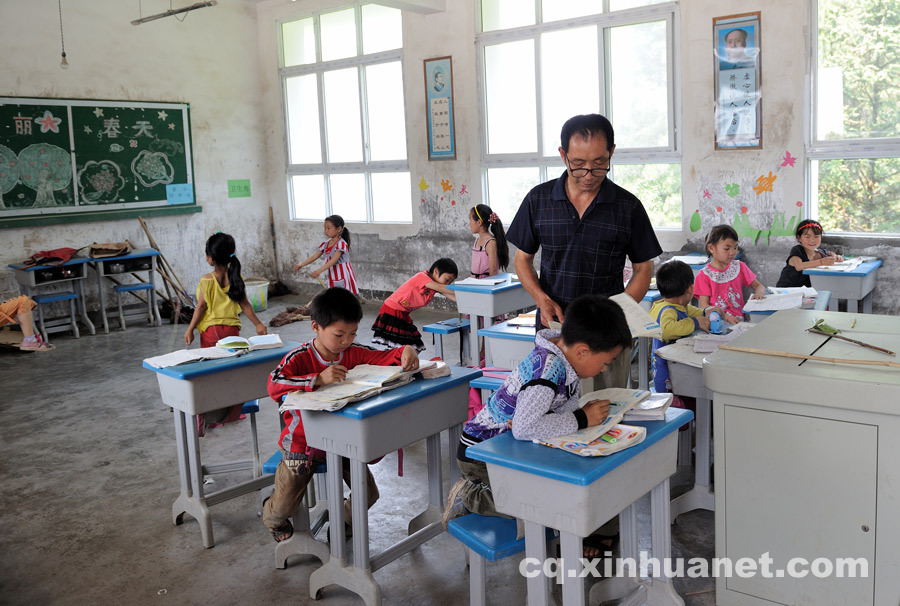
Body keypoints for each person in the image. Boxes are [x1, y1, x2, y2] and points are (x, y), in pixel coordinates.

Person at [444, 295, 631, 553]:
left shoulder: (564, 360)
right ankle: (473, 494)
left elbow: (550, 416)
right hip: (481, 456)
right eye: (605, 362)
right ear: (583, 351)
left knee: (559, 493)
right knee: (542, 506)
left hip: (509, 447)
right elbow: (524, 429)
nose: (603, 369)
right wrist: (582, 419)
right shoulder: (548, 371)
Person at [506, 113, 662, 389]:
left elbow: (643, 268)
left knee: (607, 408)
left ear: (611, 153)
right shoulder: (538, 200)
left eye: (600, 164)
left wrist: (618, 312)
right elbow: (523, 260)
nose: (589, 175)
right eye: (578, 165)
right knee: (550, 404)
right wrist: (540, 298)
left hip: (607, 336)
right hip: (556, 332)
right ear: (563, 155)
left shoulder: (628, 207)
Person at [262, 287, 419, 542]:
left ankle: (343, 520)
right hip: (303, 445)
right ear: (316, 327)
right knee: (285, 506)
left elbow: (381, 356)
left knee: (368, 495)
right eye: (339, 334)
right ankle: (270, 516)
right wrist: (316, 379)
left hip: (344, 441)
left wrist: (404, 352)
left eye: (352, 333)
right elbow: (274, 383)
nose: (346, 340)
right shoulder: (299, 358)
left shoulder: (352, 352)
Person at [184, 232, 267, 435]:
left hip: (210, 333)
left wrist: (190, 329)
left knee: (212, 374)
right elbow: (246, 305)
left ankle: (207, 414)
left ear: (210, 258)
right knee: (233, 373)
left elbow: (201, 307)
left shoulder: (206, 280)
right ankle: (231, 414)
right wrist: (258, 324)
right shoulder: (236, 278)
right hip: (232, 332)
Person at [650, 261, 722, 393]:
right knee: (677, 404)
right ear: (690, 288)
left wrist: (706, 312)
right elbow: (666, 331)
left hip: (675, 368)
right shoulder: (667, 310)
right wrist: (695, 323)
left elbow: (693, 312)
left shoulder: (678, 306)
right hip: (667, 375)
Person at [371, 258, 458, 352]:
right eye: (447, 280)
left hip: (403, 313)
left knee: (413, 347)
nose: (448, 284)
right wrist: (465, 289)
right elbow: (445, 289)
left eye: (450, 282)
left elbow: (452, 296)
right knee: (405, 349)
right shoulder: (422, 277)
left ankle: (396, 362)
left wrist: (467, 299)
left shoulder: (436, 286)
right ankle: (392, 362)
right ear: (436, 271)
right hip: (392, 310)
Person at [694, 225, 766, 323]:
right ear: (711, 248)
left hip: (739, 322)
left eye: (735, 247)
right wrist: (724, 316)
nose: (732, 252)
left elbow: (759, 286)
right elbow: (704, 306)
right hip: (718, 324)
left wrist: (759, 294)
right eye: (727, 249)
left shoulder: (739, 267)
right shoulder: (704, 276)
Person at [293, 214, 359, 295]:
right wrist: (301, 264)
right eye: (325, 228)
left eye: (328, 228)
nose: (326, 231)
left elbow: (333, 260)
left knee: (343, 297)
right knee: (334, 296)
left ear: (338, 229)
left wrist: (319, 271)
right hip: (333, 275)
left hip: (343, 276)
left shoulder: (341, 244)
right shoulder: (326, 244)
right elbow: (315, 256)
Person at [776, 219, 844, 288]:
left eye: (816, 236)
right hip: (786, 291)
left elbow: (830, 253)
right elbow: (799, 266)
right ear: (799, 238)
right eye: (807, 237)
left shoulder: (820, 252)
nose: (812, 240)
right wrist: (821, 262)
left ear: (821, 237)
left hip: (807, 292)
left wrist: (836, 257)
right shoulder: (797, 250)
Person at [468, 204, 509, 279]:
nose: (469, 223)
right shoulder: (477, 240)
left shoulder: (490, 243)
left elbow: (493, 271)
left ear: (479, 222)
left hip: (485, 285)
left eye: (470, 219)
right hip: (475, 283)